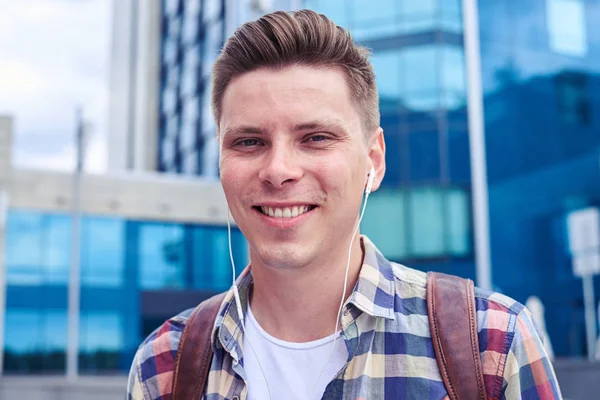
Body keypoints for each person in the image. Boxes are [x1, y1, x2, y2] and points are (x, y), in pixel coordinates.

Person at [127, 9, 562, 400]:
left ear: (374, 161)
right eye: (248, 141)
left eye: (315, 138)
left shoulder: (493, 344)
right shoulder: (166, 364)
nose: (279, 170)